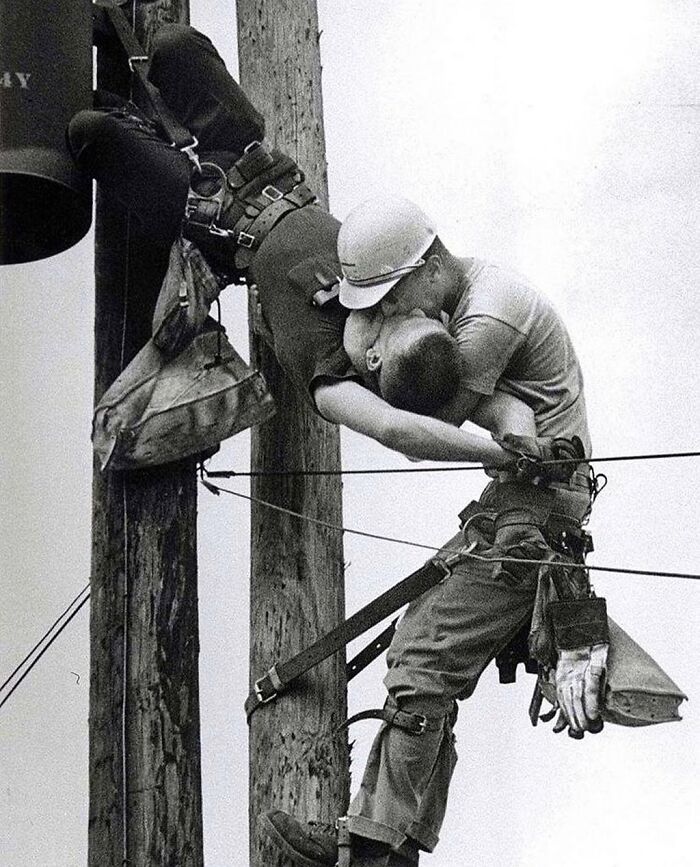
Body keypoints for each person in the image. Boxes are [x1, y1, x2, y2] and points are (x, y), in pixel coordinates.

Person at [262, 199, 609, 867]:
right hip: (521, 503)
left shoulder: (485, 318)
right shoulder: (460, 297)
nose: (388, 314)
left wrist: (348, 340)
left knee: (423, 658)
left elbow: (407, 418)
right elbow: (500, 411)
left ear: (428, 268)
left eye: (391, 298)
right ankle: (383, 844)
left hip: (532, 514)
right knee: (422, 653)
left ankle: (371, 850)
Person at [69, 20, 538, 471]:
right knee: (172, 44)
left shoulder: (333, 377)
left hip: (205, 209)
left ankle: (129, 120)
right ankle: (143, 110)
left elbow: (398, 431)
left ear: (374, 360)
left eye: (398, 322)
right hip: (253, 159)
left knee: (90, 131)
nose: (399, 308)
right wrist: (524, 448)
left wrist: (490, 457)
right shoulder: (390, 308)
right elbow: (505, 407)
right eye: (419, 313)